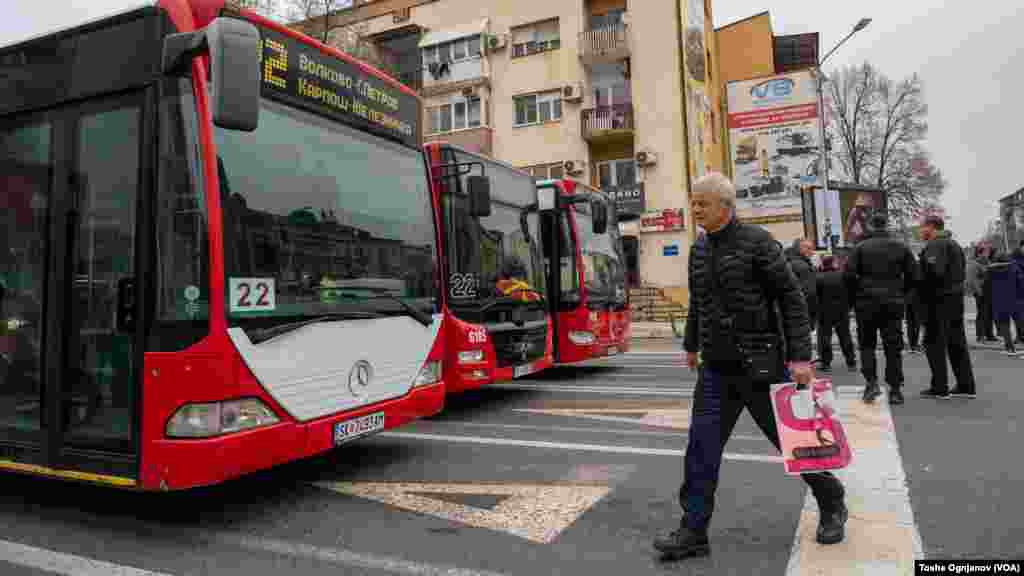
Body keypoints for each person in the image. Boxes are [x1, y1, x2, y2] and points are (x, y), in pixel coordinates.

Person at [654, 173, 847, 561]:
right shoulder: (699, 250)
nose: (695, 210)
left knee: (793, 445)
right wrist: (692, 344)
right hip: (716, 372)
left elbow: (791, 299)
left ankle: (831, 500)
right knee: (701, 450)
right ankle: (694, 530)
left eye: (702, 203)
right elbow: (700, 303)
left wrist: (799, 356)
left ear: (725, 206)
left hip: (761, 366)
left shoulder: (758, 243)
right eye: (693, 203)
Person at [844, 212, 917, 405]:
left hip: (865, 303)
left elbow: (848, 276)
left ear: (870, 225)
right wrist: (902, 294)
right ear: (887, 224)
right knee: (893, 347)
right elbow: (913, 275)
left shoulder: (860, 248)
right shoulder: (901, 247)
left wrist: (854, 298)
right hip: (893, 303)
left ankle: (871, 384)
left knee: (867, 345)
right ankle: (894, 390)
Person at [918, 215, 976, 399]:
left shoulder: (936, 245)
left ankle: (939, 387)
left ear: (931, 227)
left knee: (933, 342)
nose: (920, 231)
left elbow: (935, 273)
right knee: (956, 342)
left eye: (922, 227)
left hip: (938, 299)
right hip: (955, 298)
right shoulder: (954, 244)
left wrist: (920, 285)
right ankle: (966, 386)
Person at [815, 255, 857, 372]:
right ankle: (851, 362)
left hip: (824, 311)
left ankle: (826, 363)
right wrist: (849, 306)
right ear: (834, 264)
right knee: (845, 336)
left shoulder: (819, 277)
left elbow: (815, 296)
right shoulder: (843, 276)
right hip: (842, 311)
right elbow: (852, 292)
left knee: (825, 337)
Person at [985, 250, 1024, 356]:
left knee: (1004, 324)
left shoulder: (990, 270)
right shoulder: (1013, 268)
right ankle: (1020, 341)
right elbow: (1020, 283)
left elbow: (987, 286)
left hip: (999, 301)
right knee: (1019, 321)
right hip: (1014, 299)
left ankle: (1009, 347)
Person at [786, 239, 819, 328]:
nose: (812, 252)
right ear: (800, 249)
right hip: (803, 311)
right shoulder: (802, 266)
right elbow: (810, 292)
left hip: (791, 309)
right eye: (809, 248)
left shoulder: (789, 261)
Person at [905, 251, 924, 354]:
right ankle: (915, 345)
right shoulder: (921, 268)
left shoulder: (907, 268)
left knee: (910, 323)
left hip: (908, 298)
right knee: (916, 322)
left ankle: (912, 345)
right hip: (918, 298)